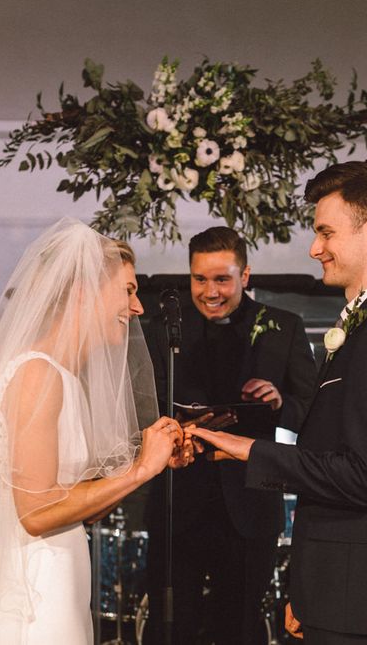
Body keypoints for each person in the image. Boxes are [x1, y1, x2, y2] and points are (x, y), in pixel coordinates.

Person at [0, 218, 191, 645]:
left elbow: (76, 504)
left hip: (60, 583)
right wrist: (139, 471)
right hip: (33, 597)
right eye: (128, 290)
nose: (138, 307)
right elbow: (35, 514)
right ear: (84, 291)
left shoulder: (63, 376)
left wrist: (151, 457)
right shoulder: (38, 374)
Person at [190, 160, 367, 645]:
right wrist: (306, 591)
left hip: (364, 604)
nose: (314, 248)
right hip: (342, 592)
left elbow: (363, 476)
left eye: (325, 232)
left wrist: (249, 450)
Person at [143, 226, 317, 645]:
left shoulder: (283, 327)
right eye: (199, 279)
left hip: (249, 503)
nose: (210, 291)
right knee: (171, 626)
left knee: (239, 627)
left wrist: (279, 405)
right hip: (177, 503)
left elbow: (312, 410)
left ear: (246, 276)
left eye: (222, 279)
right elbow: (141, 406)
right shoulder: (161, 329)